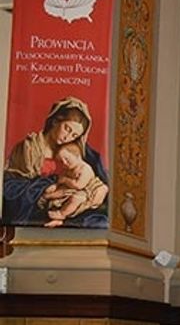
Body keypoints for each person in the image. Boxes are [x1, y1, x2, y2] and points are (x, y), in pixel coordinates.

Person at [4, 96, 109, 228]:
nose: (68, 137)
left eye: (75, 135)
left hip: (72, 202)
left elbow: (99, 182)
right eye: (67, 129)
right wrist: (45, 191)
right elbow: (10, 188)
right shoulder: (29, 148)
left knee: (99, 222)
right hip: (37, 206)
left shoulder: (79, 152)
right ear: (55, 121)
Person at [38, 141, 108, 226]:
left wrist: (64, 180)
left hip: (88, 191)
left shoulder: (85, 169)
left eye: (67, 159)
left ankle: (62, 214)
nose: (64, 163)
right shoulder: (68, 169)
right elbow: (60, 180)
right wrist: (55, 186)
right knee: (56, 194)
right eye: (61, 161)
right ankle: (55, 218)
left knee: (75, 199)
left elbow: (79, 185)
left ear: (78, 156)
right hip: (74, 189)